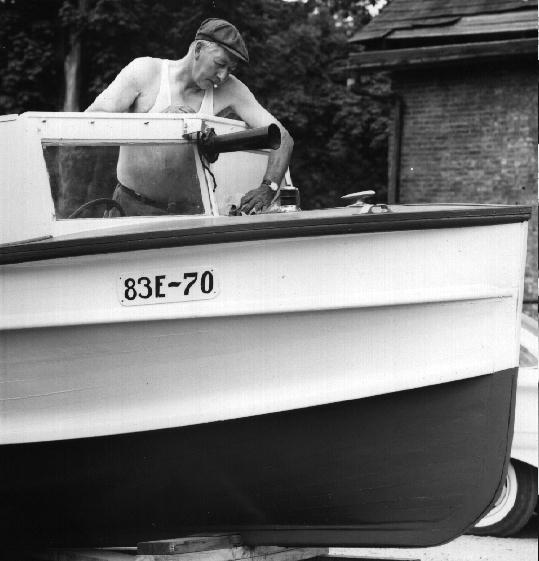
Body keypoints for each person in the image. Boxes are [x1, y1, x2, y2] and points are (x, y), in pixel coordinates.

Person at [85, 18, 293, 216]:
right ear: (198, 49)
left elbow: (282, 137)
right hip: (130, 206)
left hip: (191, 212)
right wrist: (158, 122)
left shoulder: (231, 89)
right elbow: (90, 121)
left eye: (230, 69)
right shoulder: (145, 71)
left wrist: (269, 187)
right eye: (220, 64)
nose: (222, 76)